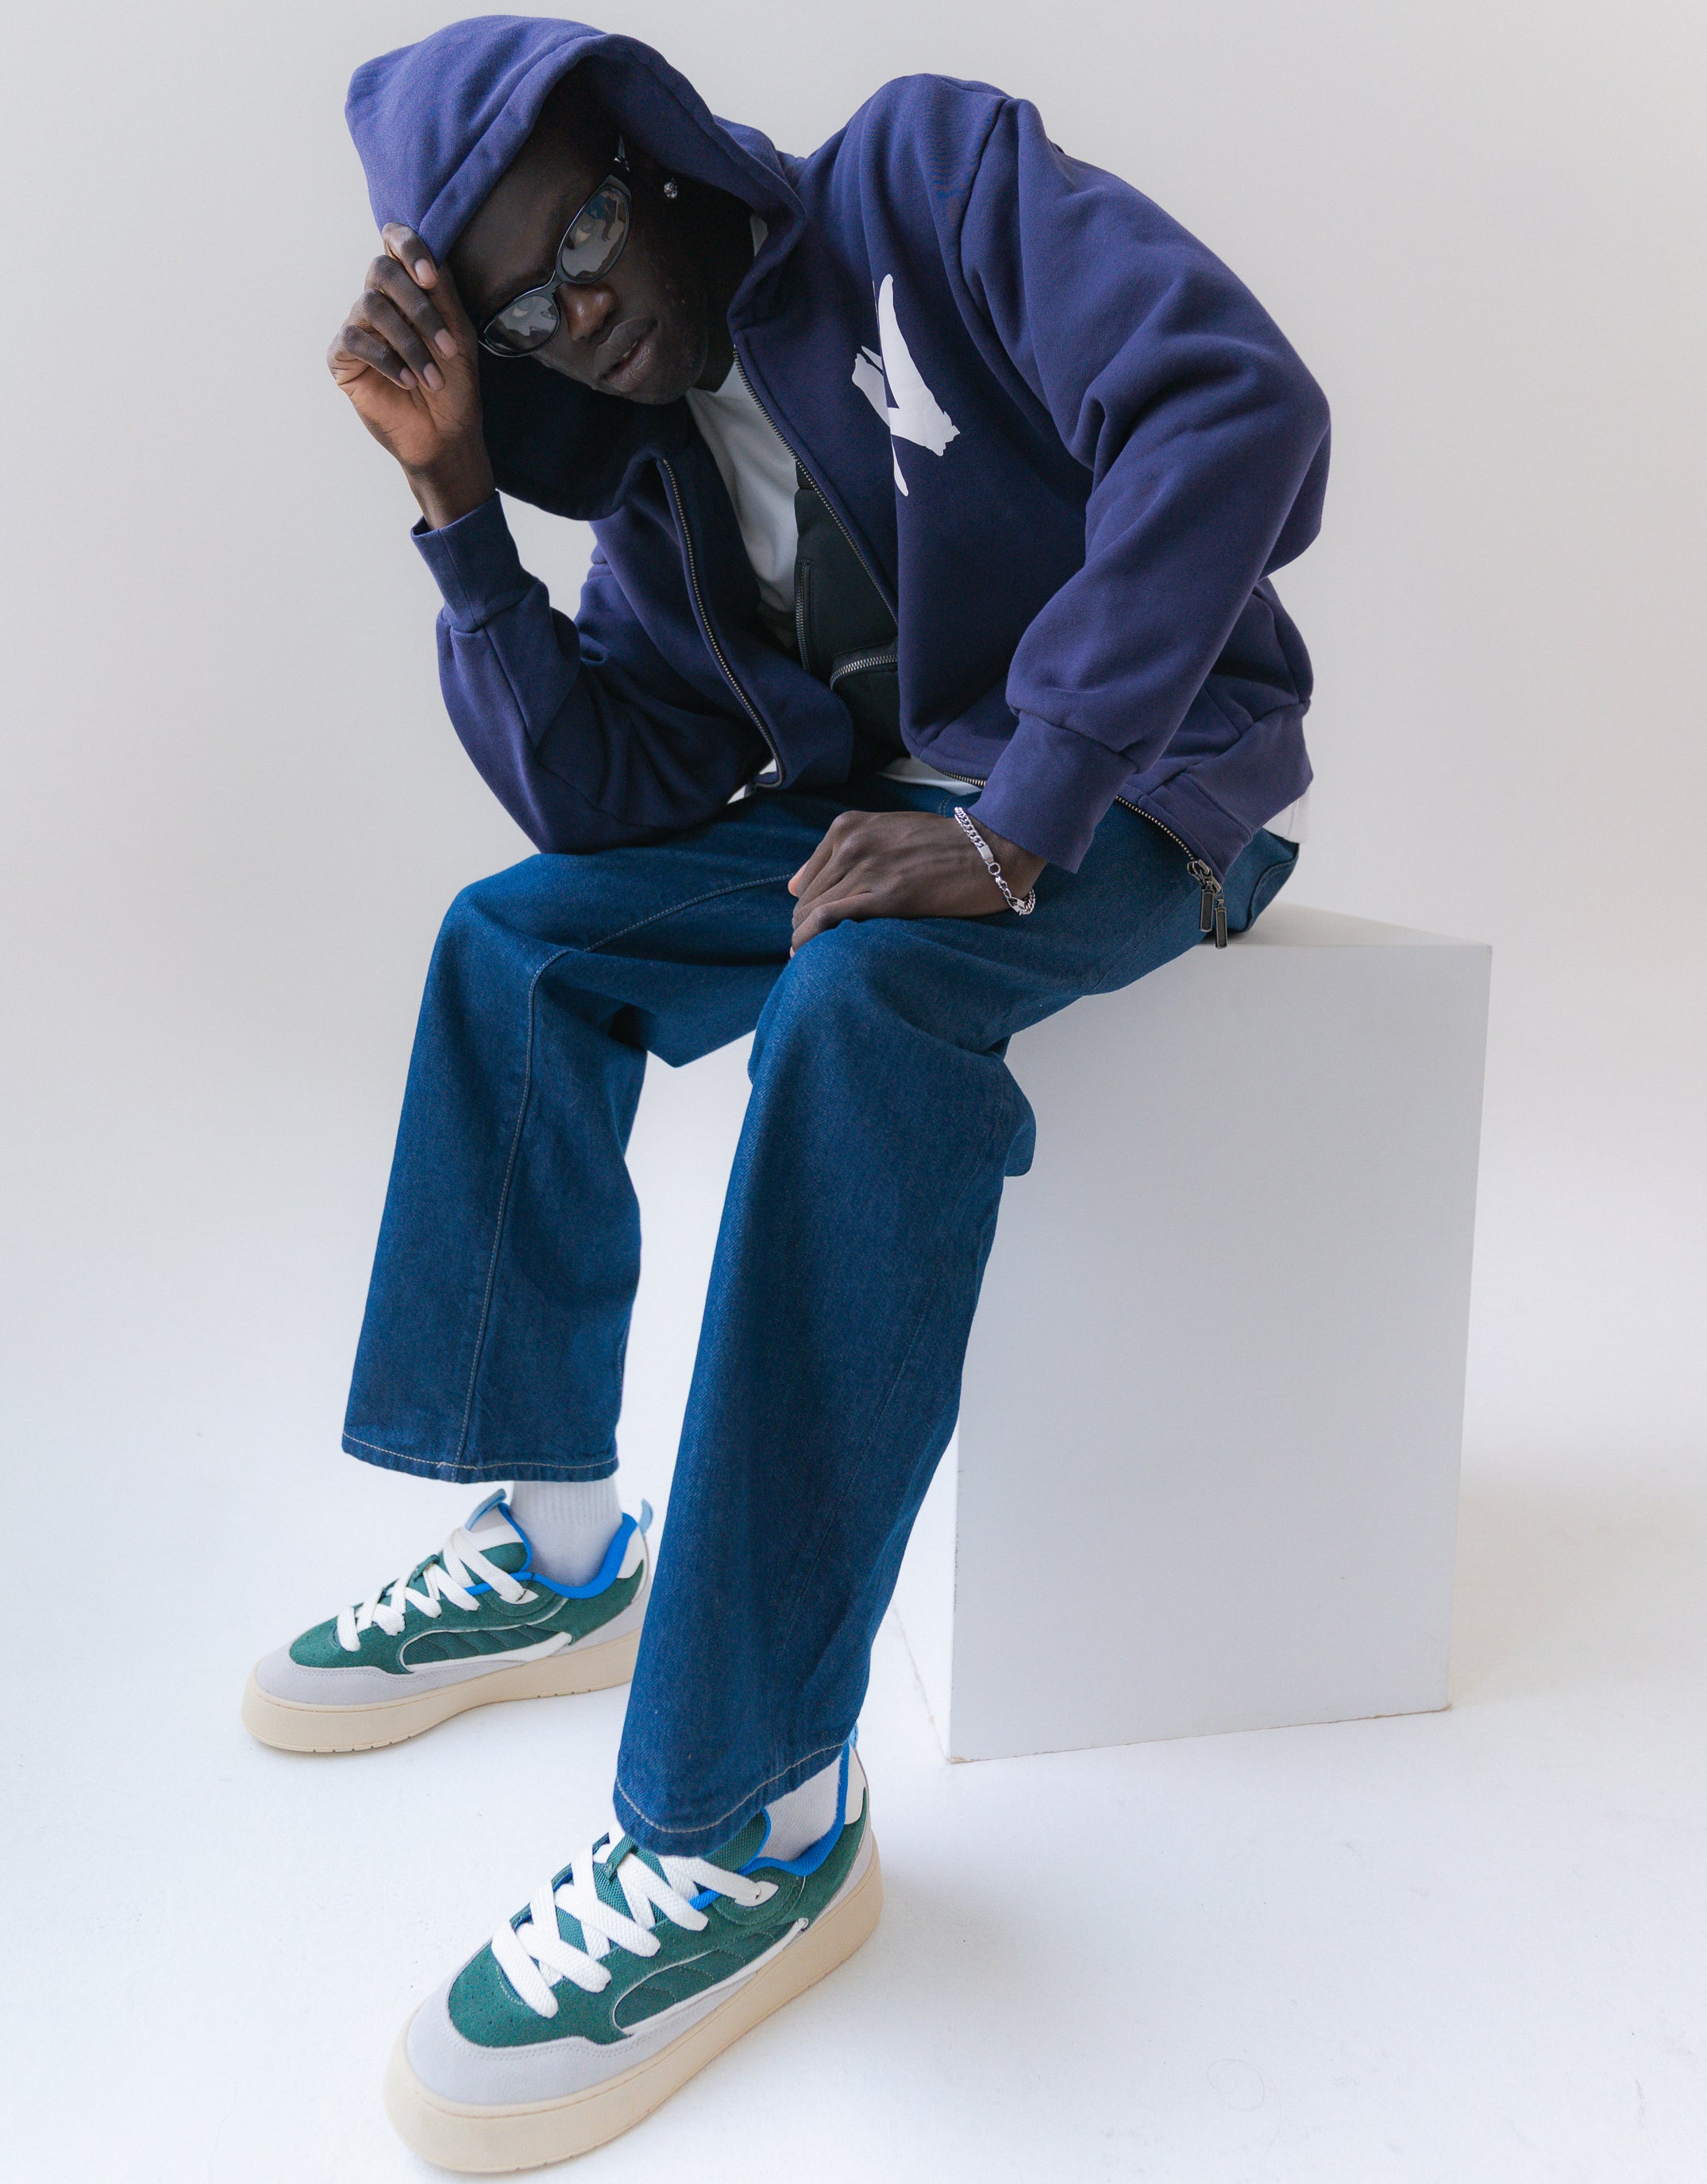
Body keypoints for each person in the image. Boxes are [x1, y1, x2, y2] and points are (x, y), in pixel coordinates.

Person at [241, 14, 1329, 2167]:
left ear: (658, 158)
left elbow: (1235, 405)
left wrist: (1023, 811)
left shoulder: (923, 183)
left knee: (860, 1010)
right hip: (877, 815)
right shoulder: (647, 473)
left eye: (587, 246)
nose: (585, 320)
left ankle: (753, 1818)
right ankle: (560, 1542)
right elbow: (611, 797)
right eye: (524, 309)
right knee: (516, 937)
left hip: (1135, 788)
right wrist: (462, 509)